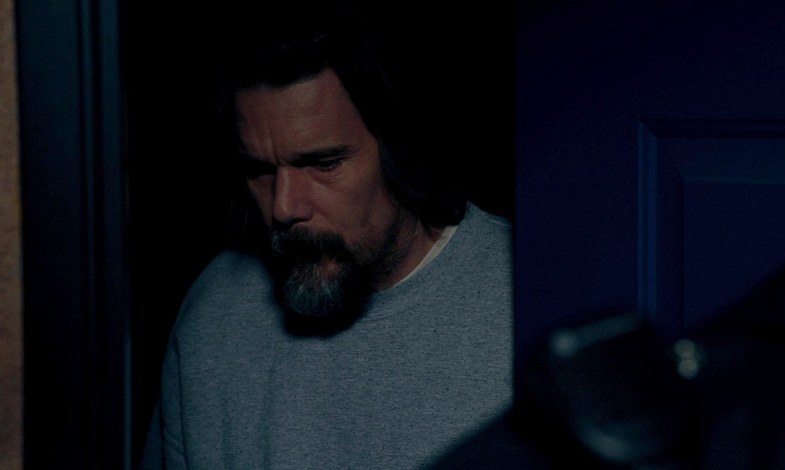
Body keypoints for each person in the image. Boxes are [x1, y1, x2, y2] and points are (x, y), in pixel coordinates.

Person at [140, 3, 514, 469]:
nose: (283, 208)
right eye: (260, 170)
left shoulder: (524, 300)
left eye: (323, 163)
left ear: (400, 149)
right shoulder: (214, 309)